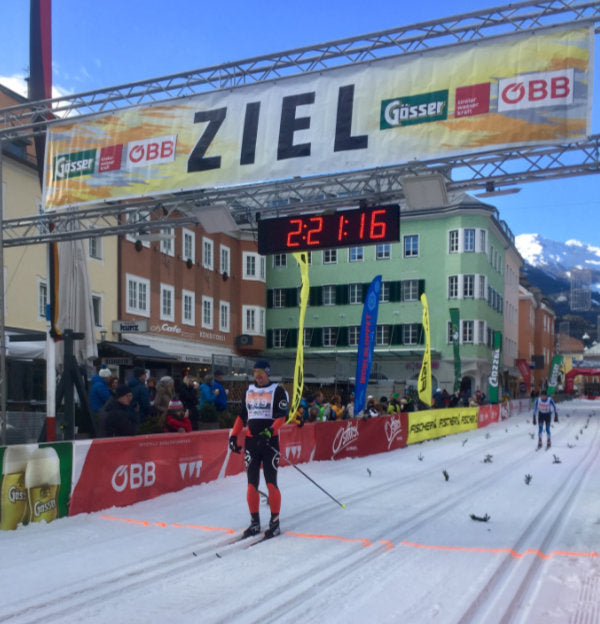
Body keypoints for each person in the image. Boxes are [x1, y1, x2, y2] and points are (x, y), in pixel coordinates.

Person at [228, 360, 289, 539]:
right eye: (255, 373)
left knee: (271, 482)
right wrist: (233, 435)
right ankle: (255, 523)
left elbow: (281, 417)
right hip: (252, 443)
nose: (258, 377)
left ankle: (275, 522)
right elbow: (242, 416)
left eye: (261, 373)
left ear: (268, 373)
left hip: (269, 443)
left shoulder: (277, 390)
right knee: (251, 484)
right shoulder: (249, 391)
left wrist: (269, 431)